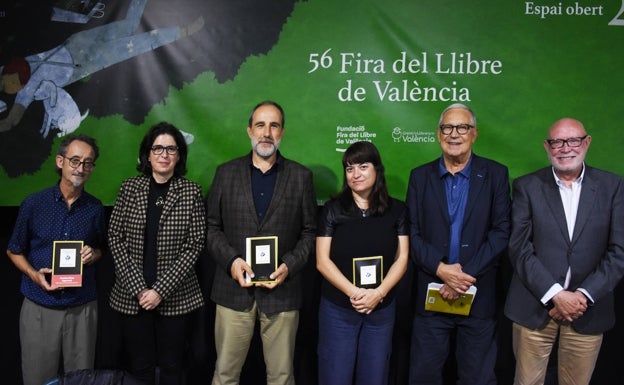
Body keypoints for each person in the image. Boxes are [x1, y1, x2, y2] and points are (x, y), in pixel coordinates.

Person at [504, 118, 624, 385]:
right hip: (534, 309)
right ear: (547, 147)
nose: (565, 148)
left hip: (587, 311)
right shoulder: (527, 186)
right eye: (557, 142)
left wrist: (581, 296)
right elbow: (519, 247)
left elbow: (619, 251)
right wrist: (556, 295)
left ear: (587, 142)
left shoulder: (613, 187)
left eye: (573, 140)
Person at [205, 100, 317, 385]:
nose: (266, 132)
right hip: (233, 292)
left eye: (274, 125)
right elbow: (211, 227)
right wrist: (231, 262)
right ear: (249, 131)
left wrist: (288, 267)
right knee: (225, 375)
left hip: (282, 292)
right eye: (260, 125)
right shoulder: (225, 173)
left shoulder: (301, 177)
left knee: (281, 377)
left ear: (282, 132)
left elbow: (309, 233)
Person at [405, 103, 511, 385]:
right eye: (447, 128)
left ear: (474, 134)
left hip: (478, 295)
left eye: (462, 127)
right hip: (432, 294)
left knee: (477, 378)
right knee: (423, 377)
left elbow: (501, 232)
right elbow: (412, 234)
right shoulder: (419, 177)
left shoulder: (496, 175)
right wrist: (442, 271)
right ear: (439, 135)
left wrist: (461, 277)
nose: (454, 134)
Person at [108, 121, 206, 385]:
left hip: (175, 299)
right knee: (140, 368)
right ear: (147, 154)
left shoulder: (191, 192)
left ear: (179, 155)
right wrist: (140, 289)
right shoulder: (129, 188)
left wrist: (160, 290)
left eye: (171, 149)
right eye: (158, 148)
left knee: (172, 368)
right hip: (132, 298)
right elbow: (115, 238)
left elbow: (195, 244)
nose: (164, 155)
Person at [6, 134, 106, 385]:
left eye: (88, 163)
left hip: (82, 307)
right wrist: (34, 276)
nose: (80, 168)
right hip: (39, 305)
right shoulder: (34, 204)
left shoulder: (95, 208)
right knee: (38, 379)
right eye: (74, 160)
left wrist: (93, 254)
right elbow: (14, 249)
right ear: (60, 161)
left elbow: (101, 249)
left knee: (81, 379)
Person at [315, 140, 409, 385]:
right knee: (335, 377)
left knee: (375, 377)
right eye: (349, 168)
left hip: (381, 309)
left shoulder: (397, 210)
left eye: (363, 166)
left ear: (377, 169)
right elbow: (322, 262)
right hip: (339, 309)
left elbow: (402, 258)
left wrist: (378, 293)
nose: (355, 174)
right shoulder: (333, 211)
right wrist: (356, 293)